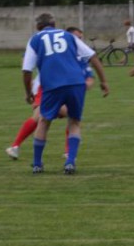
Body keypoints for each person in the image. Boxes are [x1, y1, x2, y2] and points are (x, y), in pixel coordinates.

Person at [22, 13, 109, 174]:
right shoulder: (68, 35)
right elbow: (93, 56)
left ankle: (37, 164)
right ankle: (70, 162)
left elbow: (27, 70)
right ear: (54, 24)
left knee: (44, 122)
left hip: (53, 84)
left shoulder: (35, 39)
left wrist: (28, 93)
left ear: (37, 27)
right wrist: (103, 81)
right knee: (74, 122)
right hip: (76, 82)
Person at [5, 26, 94, 160]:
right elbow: (26, 64)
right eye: (77, 37)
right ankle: (16, 147)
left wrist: (87, 83)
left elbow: (89, 76)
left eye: (81, 38)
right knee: (41, 117)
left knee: (67, 117)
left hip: (64, 88)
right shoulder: (54, 46)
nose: (79, 40)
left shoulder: (80, 56)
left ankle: (67, 152)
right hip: (46, 87)